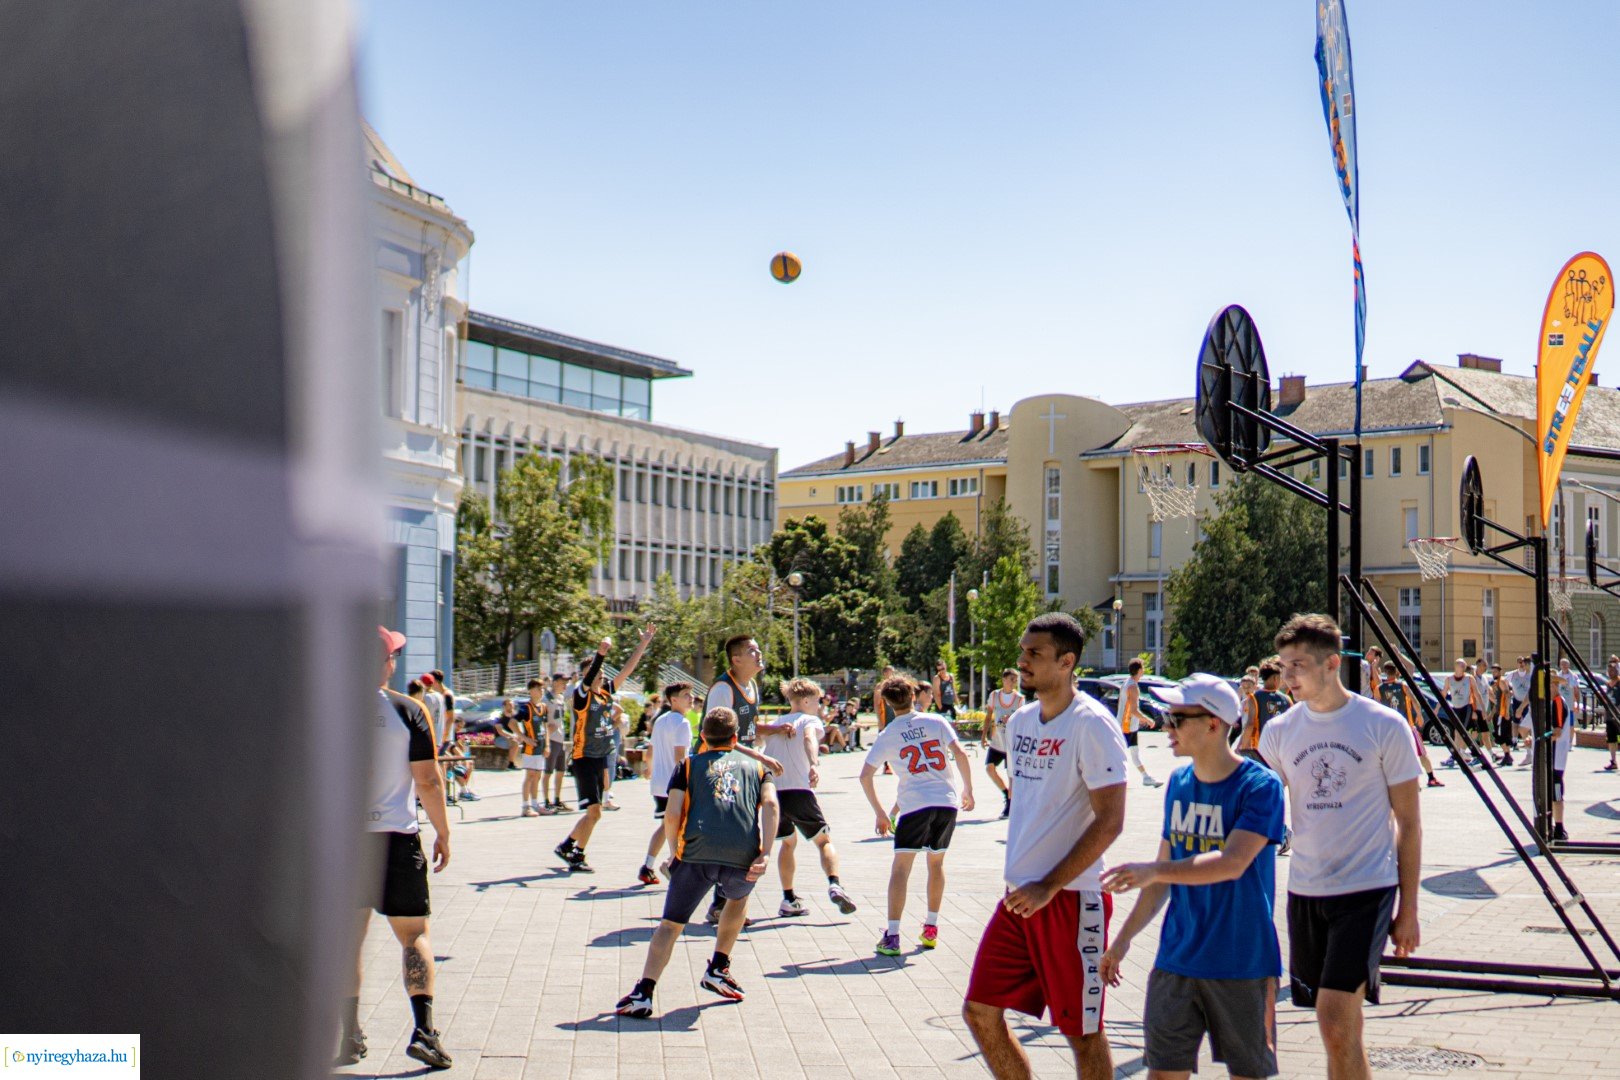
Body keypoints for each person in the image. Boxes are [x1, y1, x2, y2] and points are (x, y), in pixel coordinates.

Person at [963, 613, 1127, 1079]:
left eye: (1034, 653)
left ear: (1067, 661)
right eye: (1023, 651)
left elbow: (1111, 822)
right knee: (980, 1011)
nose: (1022, 660)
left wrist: (1049, 886)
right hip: (1020, 897)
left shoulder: (1092, 724)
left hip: (1070, 899)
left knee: (1081, 1032)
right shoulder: (1021, 723)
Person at [1258, 614, 1421, 1080]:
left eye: (1298, 666)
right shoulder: (1279, 732)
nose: (1287, 677)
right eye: (1284, 666)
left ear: (1332, 664)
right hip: (1306, 890)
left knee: (1332, 1021)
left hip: (1367, 888)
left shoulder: (1383, 725)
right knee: (1341, 1023)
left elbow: (1409, 822)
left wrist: (1408, 909)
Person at [1100, 673, 1286, 1080]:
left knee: (1248, 1074)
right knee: (1163, 1073)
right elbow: (1162, 878)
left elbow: (1231, 862)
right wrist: (1122, 940)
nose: (1167, 727)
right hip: (1177, 960)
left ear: (1214, 724)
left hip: (1242, 962)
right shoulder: (1179, 783)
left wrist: (1153, 871)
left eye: (1177, 718)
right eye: (1167, 717)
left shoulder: (1260, 786)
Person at [614, 707, 779, 1018]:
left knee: (670, 925)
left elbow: (672, 813)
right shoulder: (757, 768)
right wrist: (766, 851)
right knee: (737, 900)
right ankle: (718, 966)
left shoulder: (688, 766)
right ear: (734, 738)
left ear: (702, 736)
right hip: (741, 853)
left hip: (695, 852)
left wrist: (676, 850)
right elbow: (770, 804)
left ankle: (644, 992)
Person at [338, 627, 453, 1069]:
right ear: (385, 662)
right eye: (394, 656)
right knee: (415, 935)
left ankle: (348, 1036)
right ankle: (424, 1030)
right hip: (397, 838)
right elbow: (427, 779)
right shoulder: (408, 709)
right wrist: (443, 832)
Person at [861, 675, 974, 955]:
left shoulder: (887, 735)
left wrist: (880, 813)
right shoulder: (936, 721)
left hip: (915, 805)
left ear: (887, 703)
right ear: (914, 695)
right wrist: (968, 789)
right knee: (936, 864)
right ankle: (931, 927)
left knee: (901, 868)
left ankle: (893, 935)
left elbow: (865, 776)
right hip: (945, 802)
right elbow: (960, 753)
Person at [555, 625, 657, 874]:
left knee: (596, 812)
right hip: (584, 757)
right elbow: (588, 679)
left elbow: (627, 670)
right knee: (594, 810)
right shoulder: (582, 697)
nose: (598, 679)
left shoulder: (604, 694)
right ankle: (575, 853)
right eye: (594, 675)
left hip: (601, 756)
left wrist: (643, 643)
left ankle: (568, 846)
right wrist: (600, 653)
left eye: (600, 675)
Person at [761, 677, 858, 917]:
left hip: (773, 792)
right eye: (817, 702)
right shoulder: (809, 719)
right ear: (805, 700)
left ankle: (788, 898)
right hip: (798, 790)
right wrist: (814, 764)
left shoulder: (775, 724)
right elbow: (809, 738)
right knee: (824, 841)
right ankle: (835, 884)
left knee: (787, 842)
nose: (819, 707)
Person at [640, 683, 695, 886]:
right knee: (680, 827)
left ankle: (648, 866)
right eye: (686, 695)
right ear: (673, 700)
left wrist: (649, 769)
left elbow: (650, 751)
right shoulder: (682, 723)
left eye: (691, 694)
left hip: (659, 784)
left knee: (666, 826)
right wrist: (689, 782)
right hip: (674, 785)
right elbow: (680, 757)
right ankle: (673, 864)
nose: (691, 698)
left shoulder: (661, 720)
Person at [1376, 661, 1442, 788]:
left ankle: (1392, 782)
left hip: (1388, 729)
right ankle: (1431, 778)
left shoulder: (1379, 688)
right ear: (1397, 672)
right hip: (1407, 726)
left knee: (1391, 756)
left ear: (1385, 672)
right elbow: (1415, 701)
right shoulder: (1403, 685)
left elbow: (1377, 708)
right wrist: (1419, 715)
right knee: (1421, 753)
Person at [985, 669, 1022, 819]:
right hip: (997, 741)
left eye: (1016, 680)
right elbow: (989, 716)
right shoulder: (994, 695)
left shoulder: (1019, 699)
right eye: (1011, 679)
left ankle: (1010, 805)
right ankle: (1006, 794)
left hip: (1011, 743)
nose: (1014, 682)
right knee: (989, 768)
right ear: (1004, 679)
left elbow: (1021, 720)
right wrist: (983, 735)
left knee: (1011, 775)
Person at [1118, 658, 1162, 787]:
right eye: (1142, 668)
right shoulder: (1132, 687)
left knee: (1134, 752)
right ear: (1139, 670)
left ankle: (1146, 777)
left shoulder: (1127, 683)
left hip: (1128, 725)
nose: (1143, 670)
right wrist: (1148, 720)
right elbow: (1133, 710)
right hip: (1126, 726)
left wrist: (1139, 721)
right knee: (1118, 754)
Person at [514, 678, 548, 817]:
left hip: (541, 747)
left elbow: (545, 727)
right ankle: (525, 806)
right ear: (531, 691)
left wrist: (547, 745)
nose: (542, 691)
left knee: (538, 776)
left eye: (542, 688)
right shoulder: (525, 708)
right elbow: (512, 723)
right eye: (539, 689)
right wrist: (525, 738)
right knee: (530, 775)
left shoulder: (543, 707)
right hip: (530, 748)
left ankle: (535, 804)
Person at [543, 673, 572, 812]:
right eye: (562, 682)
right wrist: (546, 732)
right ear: (554, 682)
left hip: (560, 739)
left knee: (561, 770)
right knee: (548, 771)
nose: (565, 685)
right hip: (552, 739)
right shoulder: (547, 698)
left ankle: (557, 799)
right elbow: (543, 719)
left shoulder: (561, 698)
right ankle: (546, 800)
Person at [1489, 663, 1514, 767]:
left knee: (1500, 735)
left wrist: (1507, 712)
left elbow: (1508, 695)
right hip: (1499, 712)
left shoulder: (1502, 681)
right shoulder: (1496, 683)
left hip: (1503, 713)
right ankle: (1508, 756)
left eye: (1495, 671)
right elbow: (1497, 701)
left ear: (1499, 672)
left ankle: (1507, 755)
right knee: (1502, 735)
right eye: (1492, 671)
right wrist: (1492, 713)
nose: (1493, 673)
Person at [419, 672, 445, 743]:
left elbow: (423, 717)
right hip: (438, 735)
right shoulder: (440, 696)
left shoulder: (427, 697)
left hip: (428, 737)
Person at [1605, 656, 1620, 772]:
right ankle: (1613, 761)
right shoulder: (1608, 684)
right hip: (1610, 716)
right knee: (1611, 739)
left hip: (1618, 715)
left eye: (1613, 671)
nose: (1611, 673)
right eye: (1609, 671)